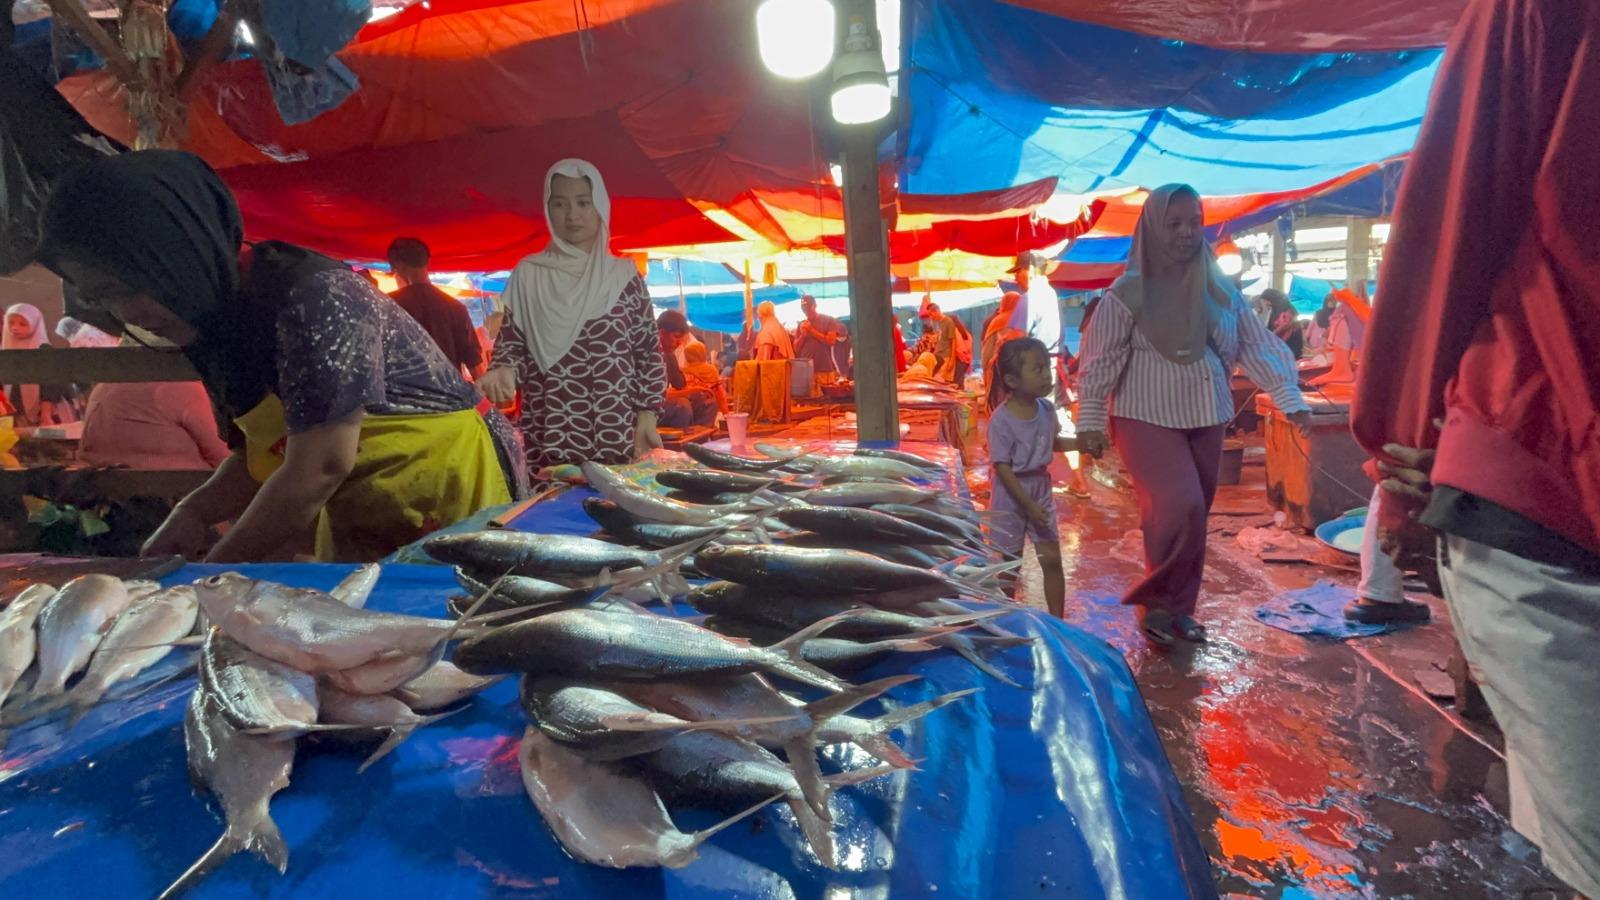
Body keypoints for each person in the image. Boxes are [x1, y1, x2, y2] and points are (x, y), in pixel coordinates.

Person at [1351, 1, 1600, 894]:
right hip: (1549, 481)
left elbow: (1446, 226)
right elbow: (1451, 225)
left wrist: (1404, 447)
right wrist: (1406, 452)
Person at [36, 151, 527, 562]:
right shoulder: (213, 324)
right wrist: (193, 512)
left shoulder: (314, 297)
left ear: (177, 254)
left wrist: (206, 575)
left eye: (126, 289)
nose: (126, 313)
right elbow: (259, 457)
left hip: (449, 480)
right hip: (364, 498)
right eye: (103, 298)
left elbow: (319, 467)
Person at [1076, 184, 1310, 648]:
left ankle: (1179, 610)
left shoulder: (1219, 290)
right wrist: (1090, 419)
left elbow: (1253, 343)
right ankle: (1156, 603)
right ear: (1153, 228)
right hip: (1144, 413)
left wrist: (1288, 395)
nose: (1186, 233)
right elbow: (1100, 358)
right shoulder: (1126, 293)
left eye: (1194, 222)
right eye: (1174, 223)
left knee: (1194, 514)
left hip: (1208, 410)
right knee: (1177, 504)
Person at [479, 159, 666, 470]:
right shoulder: (529, 275)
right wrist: (504, 370)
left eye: (583, 202)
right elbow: (512, 346)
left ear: (600, 206)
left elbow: (648, 353)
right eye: (559, 203)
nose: (572, 215)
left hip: (618, 439)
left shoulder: (623, 277)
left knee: (615, 503)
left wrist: (648, 414)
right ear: (547, 208)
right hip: (550, 441)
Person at [988, 337, 1076, 618]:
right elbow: (1002, 468)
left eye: (1047, 367)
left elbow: (1052, 442)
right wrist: (1029, 505)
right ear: (1012, 380)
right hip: (1010, 494)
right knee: (1009, 564)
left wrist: (1082, 443)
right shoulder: (1001, 420)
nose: (1047, 375)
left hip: (1040, 487)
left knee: (1052, 559)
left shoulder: (1046, 410)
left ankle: (1058, 621)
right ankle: (1005, 617)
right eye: (1038, 369)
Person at [79, 339, 231, 470]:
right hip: (178, 490)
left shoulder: (106, 385)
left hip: (106, 487)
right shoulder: (178, 384)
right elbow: (225, 456)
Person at [386, 237, 485, 379]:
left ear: (399, 266)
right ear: (428, 262)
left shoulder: (388, 305)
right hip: (450, 390)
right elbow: (474, 364)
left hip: (404, 390)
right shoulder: (455, 307)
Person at [3, 303, 81, 427]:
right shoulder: (6, 350)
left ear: (35, 324)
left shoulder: (43, 350)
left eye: (22, 324)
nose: (15, 328)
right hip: (15, 414)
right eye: (11, 323)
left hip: (46, 414)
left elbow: (51, 385)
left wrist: (46, 414)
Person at [657, 309, 716, 429]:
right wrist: (690, 392)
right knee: (681, 406)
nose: (679, 343)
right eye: (676, 337)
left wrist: (699, 389)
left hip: (664, 400)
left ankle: (700, 438)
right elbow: (656, 396)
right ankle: (678, 440)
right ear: (661, 333)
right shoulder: (647, 355)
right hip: (648, 408)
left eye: (681, 339)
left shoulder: (670, 356)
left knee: (707, 400)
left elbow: (681, 385)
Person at [793, 294, 850, 378]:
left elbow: (831, 341)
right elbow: (796, 349)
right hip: (806, 371)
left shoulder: (829, 320)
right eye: (804, 309)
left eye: (808, 308)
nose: (806, 311)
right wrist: (803, 336)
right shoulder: (801, 324)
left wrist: (811, 330)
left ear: (815, 306)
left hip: (824, 370)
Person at [681, 342, 728, 413]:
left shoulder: (684, 372)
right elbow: (719, 393)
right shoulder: (711, 369)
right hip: (712, 407)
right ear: (702, 354)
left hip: (692, 410)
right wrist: (725, 412)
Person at [1260, 289, 1304, 358]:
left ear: (1270, 298)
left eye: (1265, 300)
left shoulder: (1285, 307)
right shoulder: (1276, 308)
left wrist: (1271, 335)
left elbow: (1285, 324)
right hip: (1283, 342)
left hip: (1290, 342)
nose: (1265, 303)